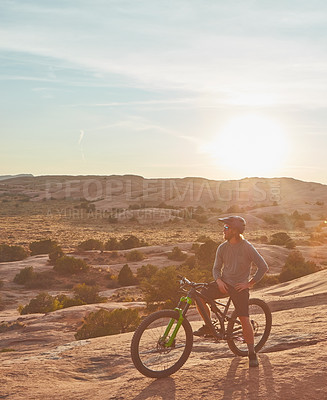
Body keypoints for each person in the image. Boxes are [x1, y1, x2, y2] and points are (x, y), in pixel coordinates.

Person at [193, 215, 269, 368]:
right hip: (224, 284)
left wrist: (249, 284)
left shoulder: (247, 247)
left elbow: (263, 266)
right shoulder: (222, 247)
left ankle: (251, 352)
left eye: (226, 228)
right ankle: (209, 325)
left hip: (239, 288)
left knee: (243, 319)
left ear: (234, 231)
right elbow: (215, 269)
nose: (223, 230)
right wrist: (219, 281)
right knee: (199, 296)